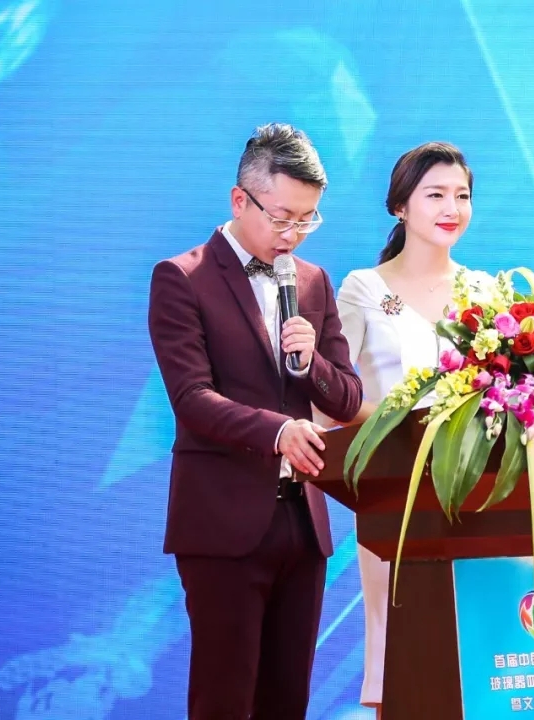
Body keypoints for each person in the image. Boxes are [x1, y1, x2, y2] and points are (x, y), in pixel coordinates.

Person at [147, 123, 363, 719]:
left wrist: (311, 362)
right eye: (282, 217)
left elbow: (347, 399)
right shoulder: (182, 277)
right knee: (224, 701)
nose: (292, 235)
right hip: (223, 523)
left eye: (308, 220)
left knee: (286, 702)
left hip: (303, 525)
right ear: (240, 199)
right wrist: (277, 431)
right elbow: (192, 398)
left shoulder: (313, 282)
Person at [323, 141, 474, 717]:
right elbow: (334, 398)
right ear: (400, 207)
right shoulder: (364, 289)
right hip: (397, 496)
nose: (451, 209)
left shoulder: (486, 294)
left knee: (475, 653)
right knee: (403, 652)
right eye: (435, 195)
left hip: (475, 498)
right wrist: (408, 426)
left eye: (461, 196)